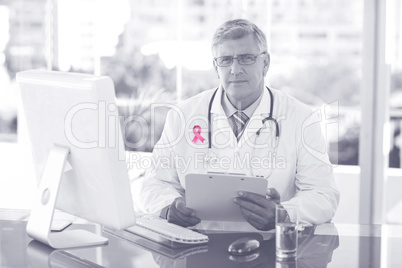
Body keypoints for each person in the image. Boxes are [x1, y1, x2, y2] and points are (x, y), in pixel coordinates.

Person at [133, 19, 339, 231]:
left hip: (270, 249)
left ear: (265, 63)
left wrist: (284, 214)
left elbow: (323, 194)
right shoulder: (183, 115)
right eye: (225, 60)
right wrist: (168, 207)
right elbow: (153, 183)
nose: (235, 69)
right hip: (198, 248)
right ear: (216, 66)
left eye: (246, 58)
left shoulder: (301, 119)